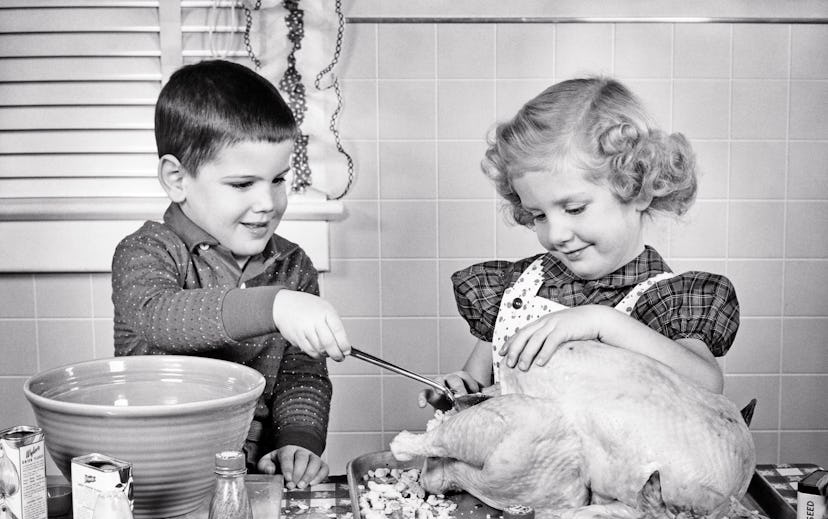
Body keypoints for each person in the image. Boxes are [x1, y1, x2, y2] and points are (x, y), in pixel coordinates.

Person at [422, 77, 738, 408]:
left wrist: (603, 321)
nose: (555, 235)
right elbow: (478, 386)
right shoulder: (517, 290)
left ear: (639, 192)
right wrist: (456, 392)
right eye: (539, 215)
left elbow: (706, 385)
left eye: (574, 209)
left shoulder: (667, 301)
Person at [112, 59, 350, 489]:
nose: (268, 202)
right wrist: (273, 306)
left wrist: (297, 443)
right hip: (158, 485)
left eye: (278, 179)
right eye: (243, 184)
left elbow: (303, 376)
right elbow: (161, 317)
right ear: (177, 178)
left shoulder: (293, 267)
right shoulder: (146, 252)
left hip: (254, 482)